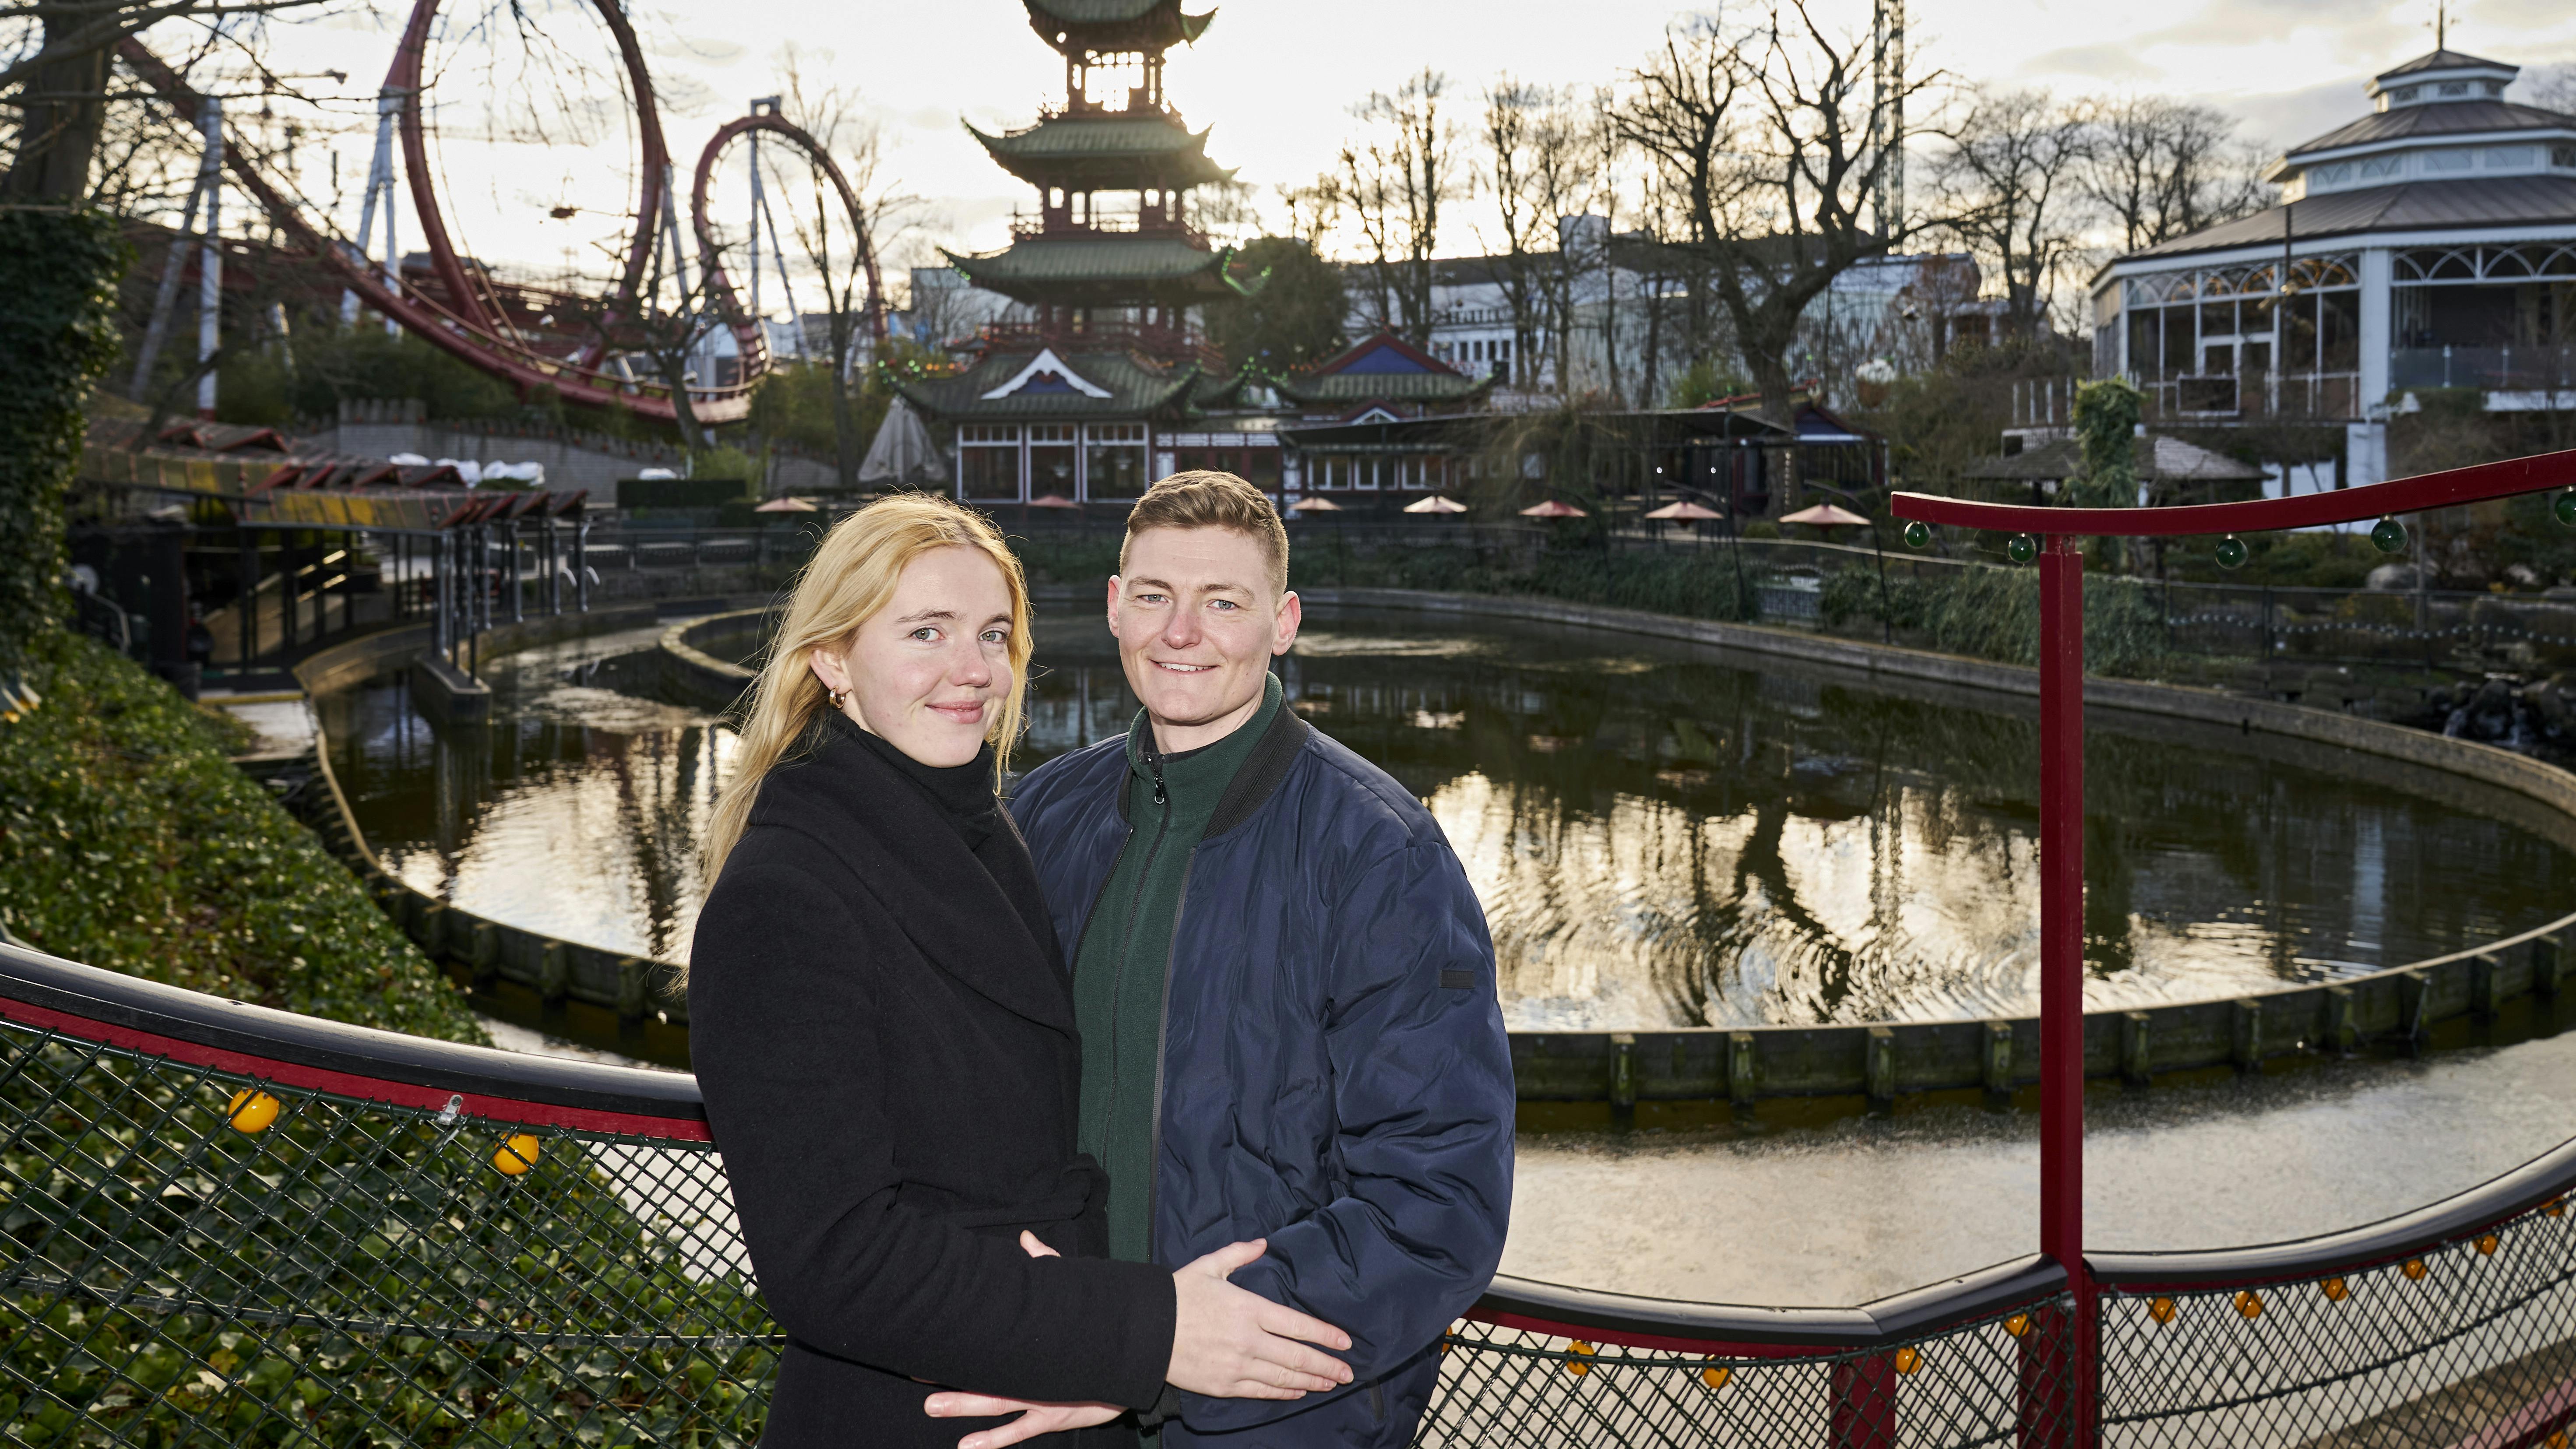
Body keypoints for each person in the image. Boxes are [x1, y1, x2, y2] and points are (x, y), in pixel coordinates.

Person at [686, 494, 1356, 1449]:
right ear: (832, 657)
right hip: (918, 1417)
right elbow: (835, 1257)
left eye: (992, 634)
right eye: (926, 631)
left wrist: (1100, 1352)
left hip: (1031, 1392)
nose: (972, 670)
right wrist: (1147, 1332)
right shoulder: (786, 892)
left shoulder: (984, 827)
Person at [948, 472, 1515, 1446]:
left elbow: (1439, 1201)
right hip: (1055, 1387)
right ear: (1115, 607)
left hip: (1273, 1414)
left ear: (1281, 623)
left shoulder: (1379, 855)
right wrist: (1054, 1320)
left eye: (1223, 602)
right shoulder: (1041, 816)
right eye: (1156, 596)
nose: (1182, 632)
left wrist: (1160, 1350)